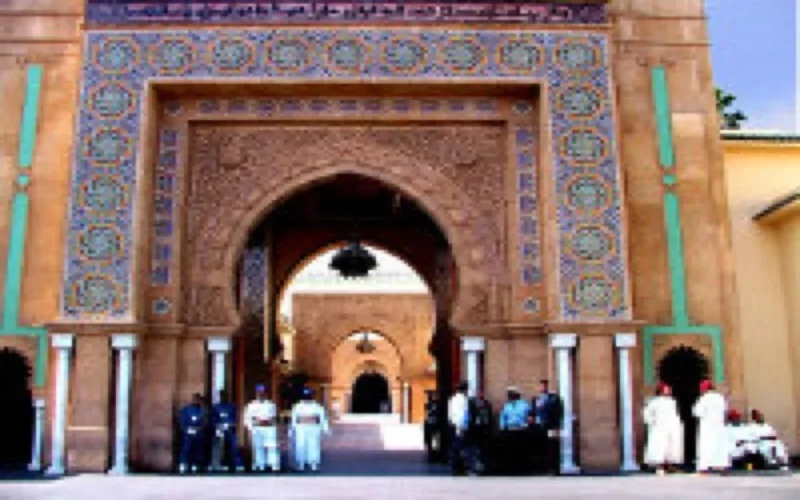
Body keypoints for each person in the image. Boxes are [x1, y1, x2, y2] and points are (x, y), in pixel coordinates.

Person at [643, 383, 683, 475]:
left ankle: (669, 465)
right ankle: (659, 466)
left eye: (669, 389)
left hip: (671, 427)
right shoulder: (654, 402)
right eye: (666, 389)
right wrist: (652, 422)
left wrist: (677, 424)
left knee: (671, 446)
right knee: (660, 447)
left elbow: (674, 414)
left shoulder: (672, 401)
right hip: (659, 428)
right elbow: (647, 413)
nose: (668, 391)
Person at [692, 379, 730, 473]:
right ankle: (722, 466)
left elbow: (697, 412)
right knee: (720, 446)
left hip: (707, 427)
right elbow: (725, 410)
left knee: (706, 446)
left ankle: (704, 468)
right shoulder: (720, 397)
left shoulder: (704, 399)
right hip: (719, 426)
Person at [290, 387, 330, 472]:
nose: (307, 398)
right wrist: (291, 429)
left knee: (313, 446)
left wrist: (325, 428)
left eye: (308, 396)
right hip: (301, 429)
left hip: (314, 429)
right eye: (306, 396)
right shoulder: (297, 406)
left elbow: (322, 418)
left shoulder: (317, 407)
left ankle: (313, 464)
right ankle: (301, 464)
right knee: (301, 446)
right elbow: (294, 419)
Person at [530, 379, 564, 474]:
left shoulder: (554, 398)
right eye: (541, 386)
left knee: (553, 446)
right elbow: (533, 412)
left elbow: (559, 412)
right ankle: (543, 468)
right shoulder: (536, 399)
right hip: (540, 426)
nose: (542, 388)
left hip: (552, 426)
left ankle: (554, 469)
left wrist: (558, 425)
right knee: (542, 447)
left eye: (544, 386)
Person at [243, 384, 280, 472]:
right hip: (257, 428)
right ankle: (260, 465)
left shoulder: (271, 405)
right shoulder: (251, 405)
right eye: (259, 392)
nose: (261, 394)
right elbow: (247, 418)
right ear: (256, 393)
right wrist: (251, 428)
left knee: (272, 447)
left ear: (266, 393)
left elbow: (274, 417)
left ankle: (273, 465)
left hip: (269, 428)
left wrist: (269, 422)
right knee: (258, 447)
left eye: (262, 392)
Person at [498, 386, 532, 474]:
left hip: (521, 430)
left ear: (516, 395)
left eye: (511, 394)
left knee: (521, 451)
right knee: (510, 451)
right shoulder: (506, 406)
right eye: (509, 394)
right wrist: (502, 428)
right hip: (510, 430)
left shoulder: (524, 405)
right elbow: (503, 417)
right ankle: (512, 469)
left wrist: (527, 425)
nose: (509, 396)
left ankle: (522, 470)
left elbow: (529, 417)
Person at [210, 390, 244, 472]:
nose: (223, 397)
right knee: (220, 448)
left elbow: (235, 417)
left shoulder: (232, 406)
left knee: (234, 447)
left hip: (230, 430)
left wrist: (230, 424)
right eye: (221, 396)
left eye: (224, 396)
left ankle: (238, 465)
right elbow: (213, 419)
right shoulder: (216, 407)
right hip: (219, 430)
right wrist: (218, 426)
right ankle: (222, 464)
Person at [465, 388, 494, 475]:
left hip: (484, 431)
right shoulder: (471, 404)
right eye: (478, 393)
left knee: (483, 451)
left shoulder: (487, 404)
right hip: (474, 431)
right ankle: (473, 468)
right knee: (474, 450)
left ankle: (482, 468)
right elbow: (468, 417)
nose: (480, 395)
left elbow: (489, 418)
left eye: (481, 393)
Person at [178, 393, 207, 473]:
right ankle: (184, 464)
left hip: (199, 433)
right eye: (195, 399)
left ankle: (196, 465)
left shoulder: (203, 410)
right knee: (186, 449)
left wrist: (199, 429)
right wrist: (187, 429)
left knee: (198, 450)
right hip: (188, 433)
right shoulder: (185, 409)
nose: (196, 400)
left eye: (198, 399)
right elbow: (182, 422)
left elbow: (205, 422)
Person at [447, 382, 470, 475]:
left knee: (455, 447)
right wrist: (463, 426)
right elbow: (464, 414)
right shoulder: (464, 400)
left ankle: (455, 467)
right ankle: (460, 468)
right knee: (461, 447)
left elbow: (450, 414)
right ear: (465, 390)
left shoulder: (452, 399)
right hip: (461, 426)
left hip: (453, 425)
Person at [423, 391, 443, 463]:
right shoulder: (429, 405)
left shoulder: (434, 405)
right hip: (432, 425)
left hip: (433, 425)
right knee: (432, 442)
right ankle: (432, 457)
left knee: (434, 442)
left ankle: (434, 457)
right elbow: (427, 415)